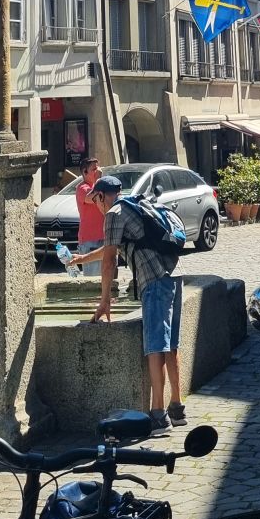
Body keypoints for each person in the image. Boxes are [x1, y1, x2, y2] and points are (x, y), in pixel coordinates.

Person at [78, 175, 185, 433]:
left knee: (155, 347)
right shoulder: (135, 205)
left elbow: (109, 260)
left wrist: (105, 300)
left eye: (95, 200)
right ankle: (177, 408)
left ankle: (158, 414)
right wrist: (81, 259)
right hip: (173, 277)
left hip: (154, 281)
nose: (96, 206)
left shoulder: (113, 214)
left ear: (102, 196)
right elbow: (111, 248)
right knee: (171, 345)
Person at [75, 155, 104, 276]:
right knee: (94, 278)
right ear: (85, 172)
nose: (98, 171)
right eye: (94, 169)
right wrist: (98, 180)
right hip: (90, 240)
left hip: (104, 238)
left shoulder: (98, 186)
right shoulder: (82, 188)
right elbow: (92, 197)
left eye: (98, 168)